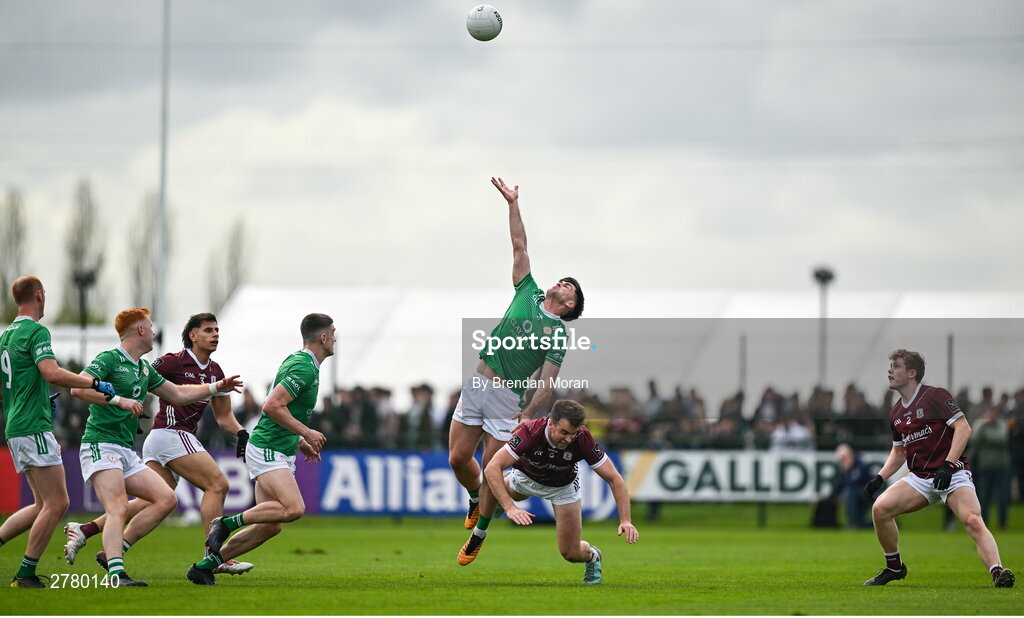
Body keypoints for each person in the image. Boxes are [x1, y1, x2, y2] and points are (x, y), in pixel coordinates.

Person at [63, 312, 254, 575]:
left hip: (156, 440)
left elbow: (220, 415)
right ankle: (214, 557)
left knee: (156, 500)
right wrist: (125, 402)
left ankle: (96, 535)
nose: (215, 335)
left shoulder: (213, 371)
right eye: (209, 330)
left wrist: (240, 430)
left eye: (217, 330)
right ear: (193, 335)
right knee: (217, 485)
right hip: (169, 433)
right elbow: (130, 382)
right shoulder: (172, 361)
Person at [450, 177, 584, 531]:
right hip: (480, 382)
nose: (561, 282)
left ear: (569, 304)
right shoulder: (529, 292)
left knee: (493, 466)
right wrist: (512, 203)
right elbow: (519, 245)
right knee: (458, 458)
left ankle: (481, 530)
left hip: (508, 397)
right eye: (563, 280)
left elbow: (546, 383)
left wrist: (526, 414)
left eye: (568, 286)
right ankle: (476, 498)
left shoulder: (557, 333)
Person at [185, 313, 331, 585]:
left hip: (278, 447)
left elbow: (277, 409)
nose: (335, 339)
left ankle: (205, 566)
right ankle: (225, 524)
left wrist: (299, 442)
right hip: (268, 448)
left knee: (269, 526)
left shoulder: (299, 361)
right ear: (323, 337)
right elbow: (272, 406)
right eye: (333, 333)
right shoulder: (304, 367)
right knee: (294, 508)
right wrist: (307, 432)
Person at [862, 349, 1014, 588]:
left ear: (912, 373)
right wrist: (880, 477)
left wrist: (948, 464)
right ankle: (895, 568)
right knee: (880, 509)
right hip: (921, 478)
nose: (890, 370)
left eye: (896, 366)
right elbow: (899, 451)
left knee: (973, 520)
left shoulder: (935, 396)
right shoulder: (896, 413)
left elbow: (963, 428)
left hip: (952, 474)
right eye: (890, 366)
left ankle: (998, 572)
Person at [0, 276, 116, 588]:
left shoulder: (5, 335)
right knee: (58, 503)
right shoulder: (36, 331)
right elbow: (50, 371)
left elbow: (7, 387)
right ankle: (25, 573)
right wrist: (91, 382)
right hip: (33, 427)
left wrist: (36, 398)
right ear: (39, 295)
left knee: (42, 504)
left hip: (16, 425)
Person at [457, 400, 637, 585]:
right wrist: (510, 508)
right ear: (551, 423)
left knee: (571, 553)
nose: (568, 439)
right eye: (564, 432)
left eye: (572, 434)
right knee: (497, 485)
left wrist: (625, 520)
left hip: (563, 488)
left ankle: (592, 556)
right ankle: (483, 528)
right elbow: (492, 468)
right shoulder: (531, 432)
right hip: (526, 478)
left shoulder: (583, 438)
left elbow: (615, 478)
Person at [833, 443, 871, 529]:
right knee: (849, 492)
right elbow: (839, 485)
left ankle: (852, 522)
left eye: (844, 458)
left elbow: (854, 482)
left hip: (866, 493)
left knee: (851, 492)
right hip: (855, 493)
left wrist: (846, 471)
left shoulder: (861, 465)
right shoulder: (843, 467)